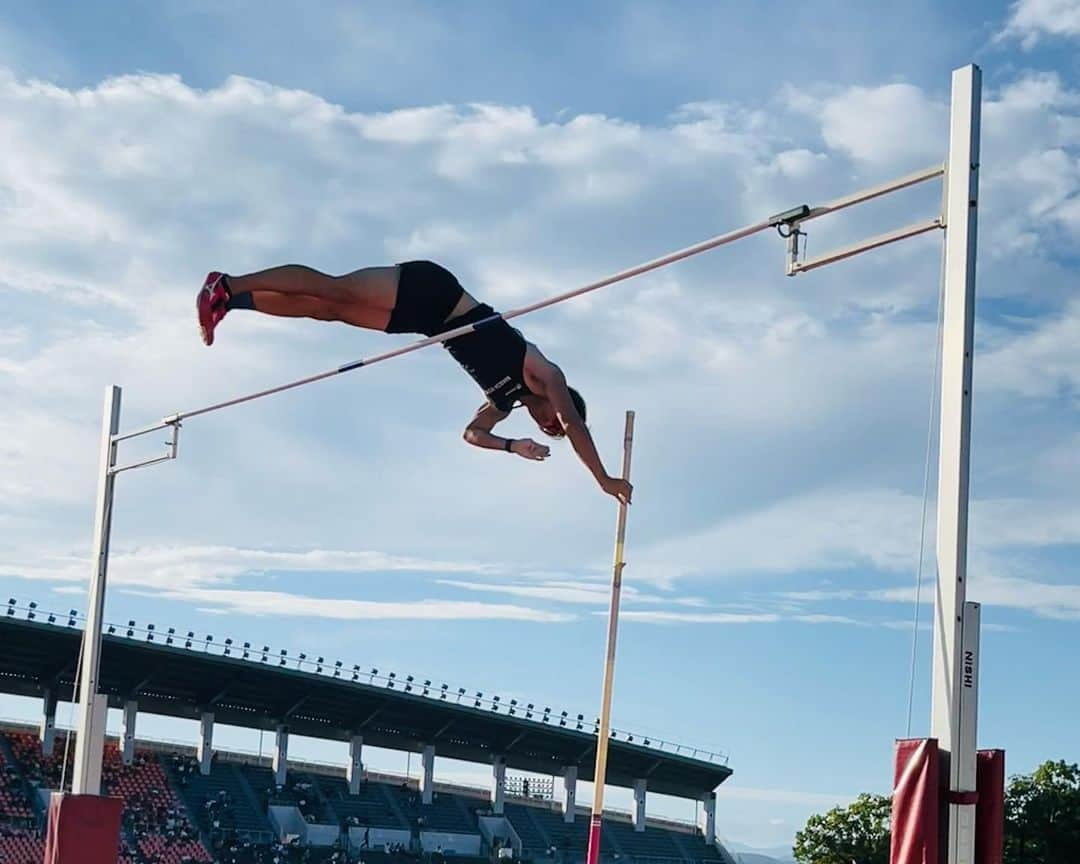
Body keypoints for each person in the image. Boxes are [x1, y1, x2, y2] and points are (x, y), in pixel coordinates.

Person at [196, 261, 632, 503]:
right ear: (560, 406)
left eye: (546, 431)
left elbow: (473, 433)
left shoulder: (504, 401)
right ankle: (228, 282)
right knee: (335, 291)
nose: (547, 427)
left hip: (428, 323)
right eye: (552, 423)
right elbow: (577, 427)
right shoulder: (545, 373)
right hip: (437, 293)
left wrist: (511, 446)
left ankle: (233, 303)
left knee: (327, 311)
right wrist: (603, 478)